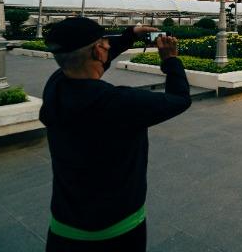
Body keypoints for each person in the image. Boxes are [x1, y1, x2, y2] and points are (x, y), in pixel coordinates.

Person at [39, 17, 191, 252]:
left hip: (64, 229)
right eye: (104, 43)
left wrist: (130, 35)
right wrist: (171, 60)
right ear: (98, 51)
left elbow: (95, 60)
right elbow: (180, 99)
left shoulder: (56, 86)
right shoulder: (119, 102)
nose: (109, 46)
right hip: (118, 231)